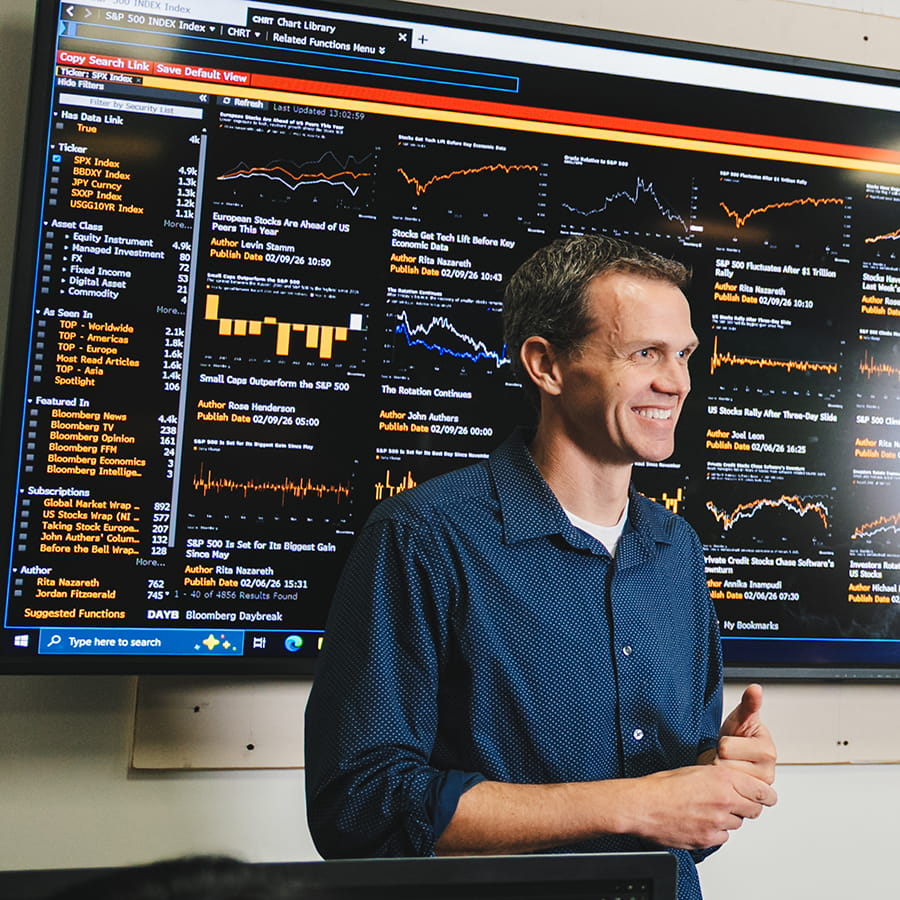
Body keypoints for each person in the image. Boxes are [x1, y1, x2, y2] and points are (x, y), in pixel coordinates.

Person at [304, 234, 777, 900]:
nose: (676, 382)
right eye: (644, 353)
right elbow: (358, 806)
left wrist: (715, 776)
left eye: (683, 354)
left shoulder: (677, 550)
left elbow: (679, 830)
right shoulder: (424, 537)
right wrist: (635, 803)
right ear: (546, 365)